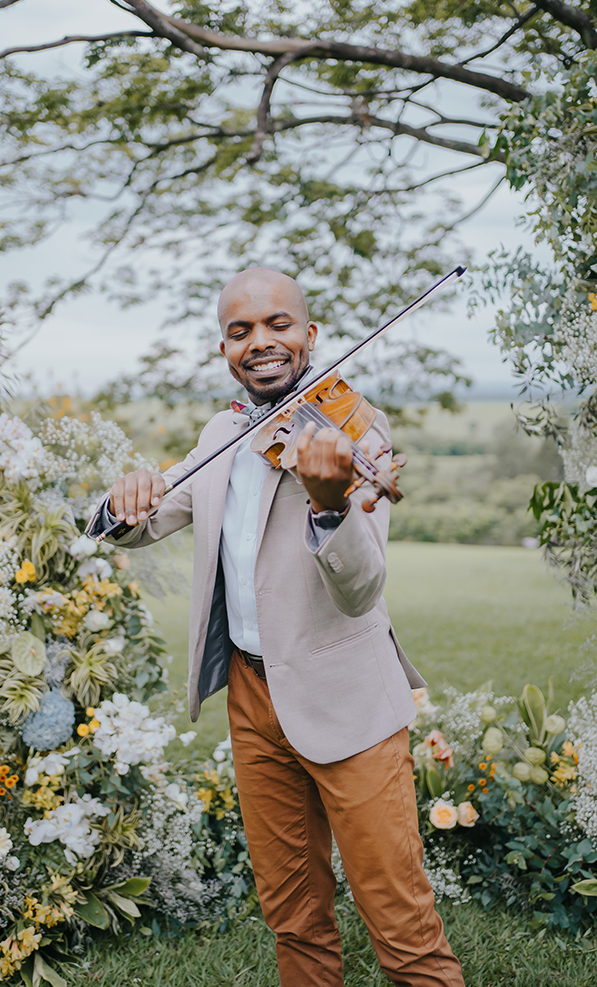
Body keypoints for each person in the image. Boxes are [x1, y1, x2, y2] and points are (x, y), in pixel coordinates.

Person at [87, 267, 465, 987]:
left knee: (400, 920)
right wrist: (120, 500)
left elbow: (361, 589)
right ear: (225, 347)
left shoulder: (358, 430)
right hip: (252, 699)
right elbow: (146, 520)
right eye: (240, 331)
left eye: (277, 325)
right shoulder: (224, 431)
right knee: (292, 912)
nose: (260, 342)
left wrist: (329, 505)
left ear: (309, 334)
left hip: (345, 698)